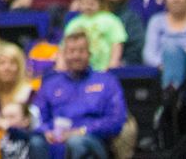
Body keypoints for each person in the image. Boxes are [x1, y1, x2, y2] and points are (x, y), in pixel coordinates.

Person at [30, 31, 126, 159]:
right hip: (57, 139)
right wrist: (46, 131)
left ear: (89, 54)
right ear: (64, 55)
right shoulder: (50, 83)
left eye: (81, 51)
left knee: (76, 142)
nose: (76, 56)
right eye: (71, 51)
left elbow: (116, 120)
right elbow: (37, 116)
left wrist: (81, 131)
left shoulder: (107, 81)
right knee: (35, 142)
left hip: (92, 140)